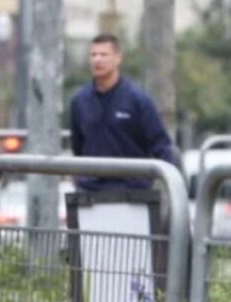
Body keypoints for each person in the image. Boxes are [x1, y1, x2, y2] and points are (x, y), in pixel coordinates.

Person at [69, 33, 177, 191]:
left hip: (132, 193)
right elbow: (77, 147)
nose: (97, 60)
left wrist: (167, 187)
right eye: (93, 55)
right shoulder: (79, 101)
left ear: (118, 58)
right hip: (90, 193)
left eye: (103, 54)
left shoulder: (138, 100)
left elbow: (161, 146)